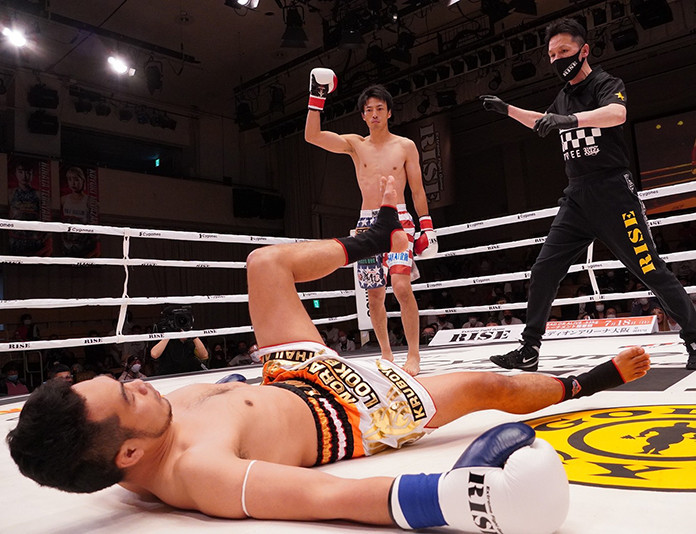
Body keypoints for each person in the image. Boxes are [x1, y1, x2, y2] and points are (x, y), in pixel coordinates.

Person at [6, 177, 651, 532]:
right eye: (129, 395)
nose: (141, 383)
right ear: (127, 454)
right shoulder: (200, 473)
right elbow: (327, 499)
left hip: (288, 375)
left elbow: (218, 402)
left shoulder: (142, 434)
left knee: (264, 264)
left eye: (124, 381)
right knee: (485, 385)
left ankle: (370, 239)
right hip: (351, 413)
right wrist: (454, 499)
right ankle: (585, 382)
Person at [480, 17, 696, 371]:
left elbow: (616, 114)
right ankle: (529, 350)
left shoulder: (606, 83)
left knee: (649, 268)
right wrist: (506, 109)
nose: (557, 59)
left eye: (564, 51)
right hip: (576, 198)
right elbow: (543, 121)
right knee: (544, 270)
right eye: (552, 54)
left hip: (613, 193)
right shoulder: (563, 97)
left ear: (584, 50)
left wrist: (570, 120)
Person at [305, 78, 437, 376]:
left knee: (401, 287)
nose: (374, 114)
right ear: (363, 115)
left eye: (379, 108)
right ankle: (387, 354)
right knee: (374, 294)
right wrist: (316, 98)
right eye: (369, 109)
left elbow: (417, 189)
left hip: (399, 219)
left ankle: (414, 355)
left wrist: (427, 227)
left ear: (389, 112)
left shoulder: (405, 146)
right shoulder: (355, 145)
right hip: (367, 223)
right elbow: (312, 136)